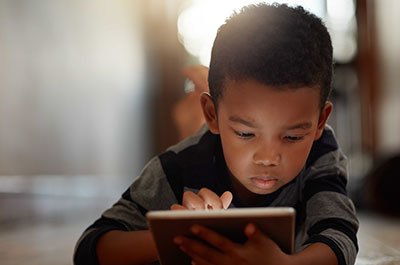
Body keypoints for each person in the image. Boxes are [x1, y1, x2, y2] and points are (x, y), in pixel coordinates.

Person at [74, 3, 358, 265]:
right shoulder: (178, 167)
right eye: (246, 133)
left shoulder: (321, 152)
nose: (268, 158)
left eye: (292, 137)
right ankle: (192, 122)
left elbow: (340, 239)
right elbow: (90, 249)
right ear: (212, 114)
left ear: (320, 122)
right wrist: (182, 233)